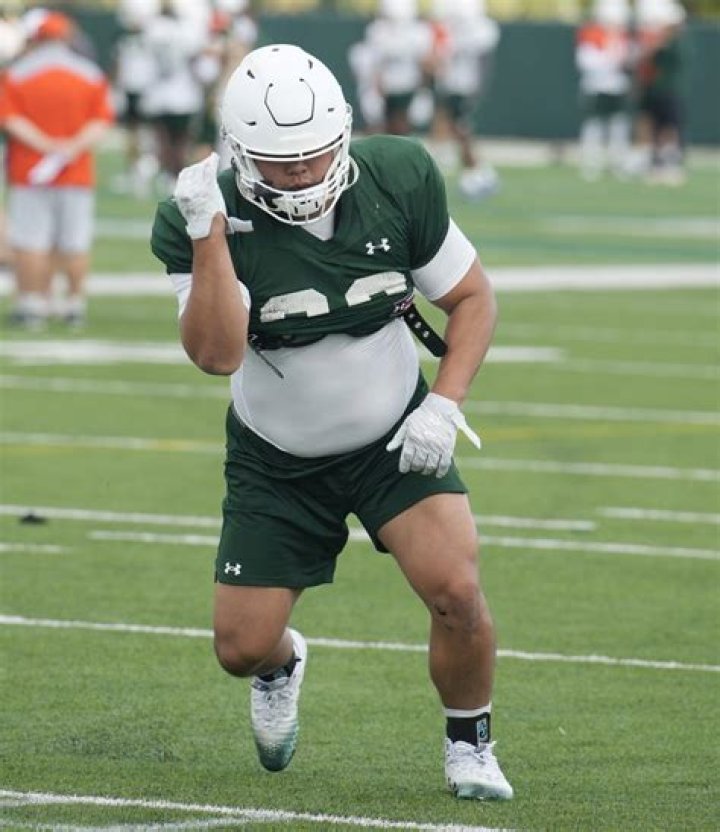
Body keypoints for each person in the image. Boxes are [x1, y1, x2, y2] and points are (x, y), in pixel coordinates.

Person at [151, 43, 513, 801]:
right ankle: (282, 665)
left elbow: (472, 299)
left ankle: (469, 744)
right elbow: (216, 354)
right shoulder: (202, 212)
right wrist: (209, 235)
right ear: (238, 151)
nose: (304, 173)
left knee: (456, 589)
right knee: (240, 648)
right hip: (276, 459)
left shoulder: (397, 177)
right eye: (282, 162)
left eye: (316, 153)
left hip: (393, 437)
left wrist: (444, 405)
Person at [0, 10, 114, 329]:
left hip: (30, 171)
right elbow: (101, 121)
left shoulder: (17, 74)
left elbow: (10, 119)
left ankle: (32, 303)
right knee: (74, 240)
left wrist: (46, 144)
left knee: (30, 240)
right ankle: (74, 303)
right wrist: (71, 147)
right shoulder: (90, 74)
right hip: (76, 170)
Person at [427, 0, 501, 199]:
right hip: (453, 84)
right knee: (456, 128)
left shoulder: (476, 32)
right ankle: (474, 170)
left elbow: (480, 56)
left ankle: (479, 170)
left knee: (461, 129)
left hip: (463, 85)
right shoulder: (452, 30)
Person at [574, 0, 633, 181]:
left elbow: (626, 61)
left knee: (619, 125)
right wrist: (611, 57)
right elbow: (587, 63)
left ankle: (618, 162)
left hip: (617, 88)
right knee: (594, 126)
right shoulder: (591, 36)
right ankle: (591, 162)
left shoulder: (622, 37)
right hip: (596, 88)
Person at [631, 0, 688, 185]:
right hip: (654, 91)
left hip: (668, 92)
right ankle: (655, 164)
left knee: (669, 128)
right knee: (653, 127)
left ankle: (670, 164)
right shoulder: (655, 40)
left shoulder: (675, 43)